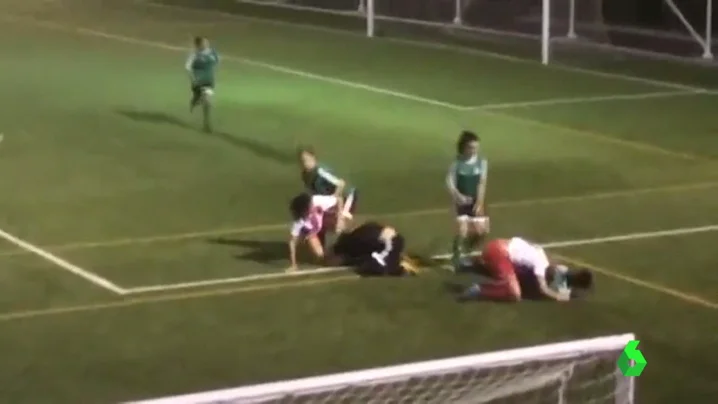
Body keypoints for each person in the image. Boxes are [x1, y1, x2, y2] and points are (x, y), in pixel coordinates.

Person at [458, 237, 593, 302]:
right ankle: (479, 290)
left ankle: (472, 264)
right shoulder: (540, 266)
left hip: (495, 246)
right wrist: (561, 297)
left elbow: (556, 266)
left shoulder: (540, 253)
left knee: (515, 271)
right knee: (515, 294)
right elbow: (543, 289)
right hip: (499, 254)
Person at [446, 131, 489, 269]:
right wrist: (457, 195)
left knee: (481, 231)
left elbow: (482, 182)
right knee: (462, 230)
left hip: (476, 201)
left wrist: (480, 202)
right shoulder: (457, 163)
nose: (474, 150)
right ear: (464, 147)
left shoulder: (482, 162)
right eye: (471, 147)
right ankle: (457, 257)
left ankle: (467, 251)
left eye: (476, 147)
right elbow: (450, 181)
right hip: (461, 202)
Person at [327, 221, 420, 276]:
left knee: (377, 267)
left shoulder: (354, 244)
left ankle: (400, 266)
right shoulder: (356, 240)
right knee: (371, 264)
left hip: (389, 242)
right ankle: (398, 260)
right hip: (390, 241)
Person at [298, 147, 357, 227]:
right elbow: (313, 193)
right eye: (303, 161)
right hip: (332, 197)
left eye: (308, 160)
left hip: (347, 196)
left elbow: (341, 184)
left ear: (313, 158)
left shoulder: (321, 171)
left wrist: (334, 198)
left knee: (342, 223)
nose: (306, 163)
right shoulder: (305, 175)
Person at [287, 193, 343, 272]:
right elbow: (292, 242)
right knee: (321, 256)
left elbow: (339, 199)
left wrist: (340, 219)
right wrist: (293, 264)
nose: (312, 206)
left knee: (339, 226)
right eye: (310, 206)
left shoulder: (317, 201)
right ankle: (333, 253)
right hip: (315, 230)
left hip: (329, 218)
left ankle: (345, 241)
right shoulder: (300, 221)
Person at [185, 36, 219, 132]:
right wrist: (193, 78)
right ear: (198, 45)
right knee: (203, 99)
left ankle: (206, 123)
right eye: (204, 43)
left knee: (207, 101)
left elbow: (216, 62)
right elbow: (188, 67)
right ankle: (195, 101)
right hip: (199, 81)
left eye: (207, 42)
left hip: (209, 81)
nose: (206, 44)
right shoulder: (194, 55)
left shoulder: (213, 53)